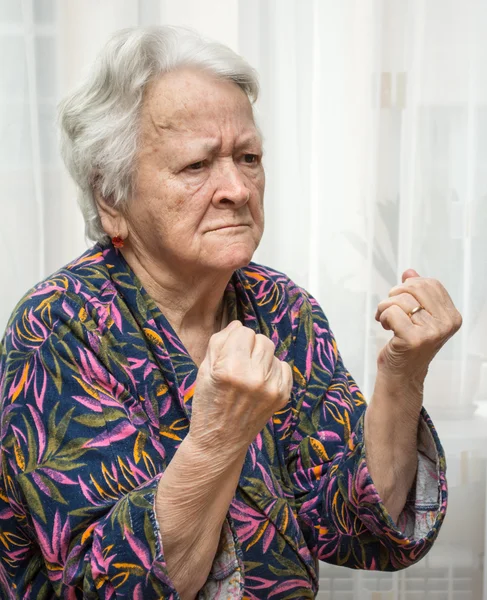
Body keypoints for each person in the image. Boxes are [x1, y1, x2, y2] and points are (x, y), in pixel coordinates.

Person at [0, 26, 461, 600]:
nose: (237, 189)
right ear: (110, 198)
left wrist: (402, 374)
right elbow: (113, 588)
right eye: (197, 165)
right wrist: (220, 437)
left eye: (249, 158)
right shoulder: (56, 328)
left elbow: (362, 527)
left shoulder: (281, 307)